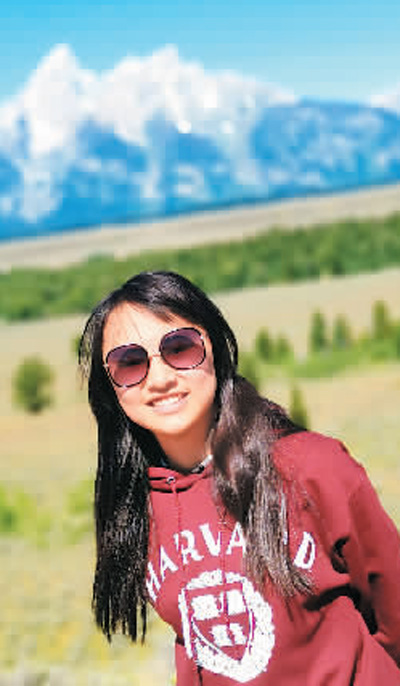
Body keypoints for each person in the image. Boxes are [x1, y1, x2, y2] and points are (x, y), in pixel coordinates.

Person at [79, 269, 400, 685]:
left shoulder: (311, 467)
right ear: (110, 386)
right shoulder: (135, 506)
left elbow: (393, 612)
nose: (159, 379)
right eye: (130, 362)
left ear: (214, 348)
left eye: (179, 347)